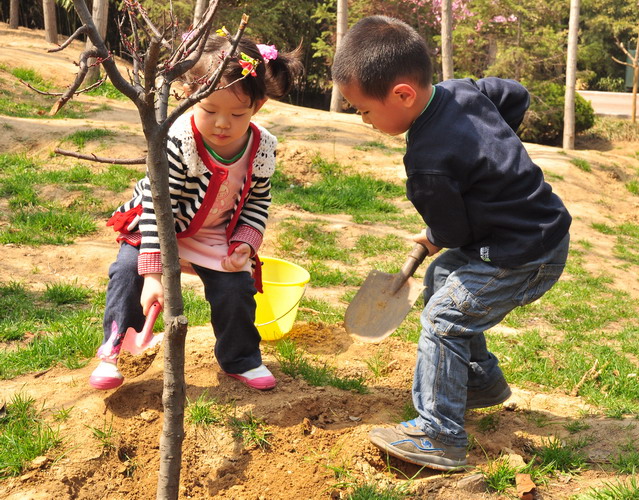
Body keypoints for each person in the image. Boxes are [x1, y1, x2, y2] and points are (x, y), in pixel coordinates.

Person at [332, 16, 571, 471]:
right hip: (538, 230)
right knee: (442, 275)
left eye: (363, 110)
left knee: (444, 317)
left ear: (403, 94)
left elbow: (454, 234)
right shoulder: (463, 90)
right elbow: (514, 94)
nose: (363, 120)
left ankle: (439, 434)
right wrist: (496, 148)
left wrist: (434, 234)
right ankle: (479, 382)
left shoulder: (428, 163)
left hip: (520, 257)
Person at [89, 35, 303, 392]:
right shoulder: (178, 140)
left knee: (236, 286)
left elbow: (257, 201)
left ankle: (241, 359)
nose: (222, 124)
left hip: (212, 233)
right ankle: (115, 348)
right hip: (157, 224)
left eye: (237, 114)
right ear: (189, 96)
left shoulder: (262, 147)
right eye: (208, 110)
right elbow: (161, 208)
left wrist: (245, 243)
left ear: (258, 105)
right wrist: (154, 274)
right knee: (129, 272)